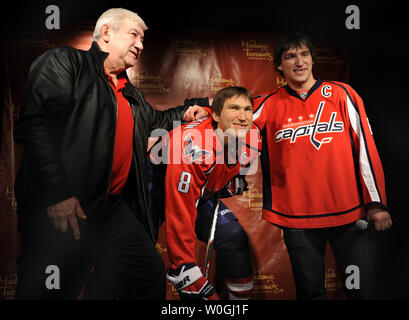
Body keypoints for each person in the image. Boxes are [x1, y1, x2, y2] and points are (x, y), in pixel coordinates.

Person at [13, 8, 206, 300]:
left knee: (147, 272)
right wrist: (57, 194)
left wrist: (194, 108)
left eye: (142, 39)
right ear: (106, 33)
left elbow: (158, 122)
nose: (140, 44)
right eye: (133, 35)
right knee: (49, 290)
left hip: (110, 210)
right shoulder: (66, 63)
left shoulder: (131, 95)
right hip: (65, 205)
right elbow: (36, 127)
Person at [251, 32, 392, 299]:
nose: (299, 61)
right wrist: (197, 108)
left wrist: (375, 203)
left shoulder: (341, 94)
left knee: (363, 291)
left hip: (349, 214)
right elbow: (232, 112)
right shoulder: (268, 103)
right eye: (290, 56)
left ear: (313, 60)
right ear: (280, 65)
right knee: (311, 294)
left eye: (304, 54)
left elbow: (366, 150)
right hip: (298, 219)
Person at [148, 86, 259, 300]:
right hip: (151, 187)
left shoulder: (250, 133)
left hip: (195, 189)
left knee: (233, 236)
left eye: (247, 109)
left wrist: (227, 181)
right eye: (234, 108)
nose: (242, 116)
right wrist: (184, 266)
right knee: (142, 259)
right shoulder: (194, 147)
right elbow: (181, 209)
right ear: (216, 114)